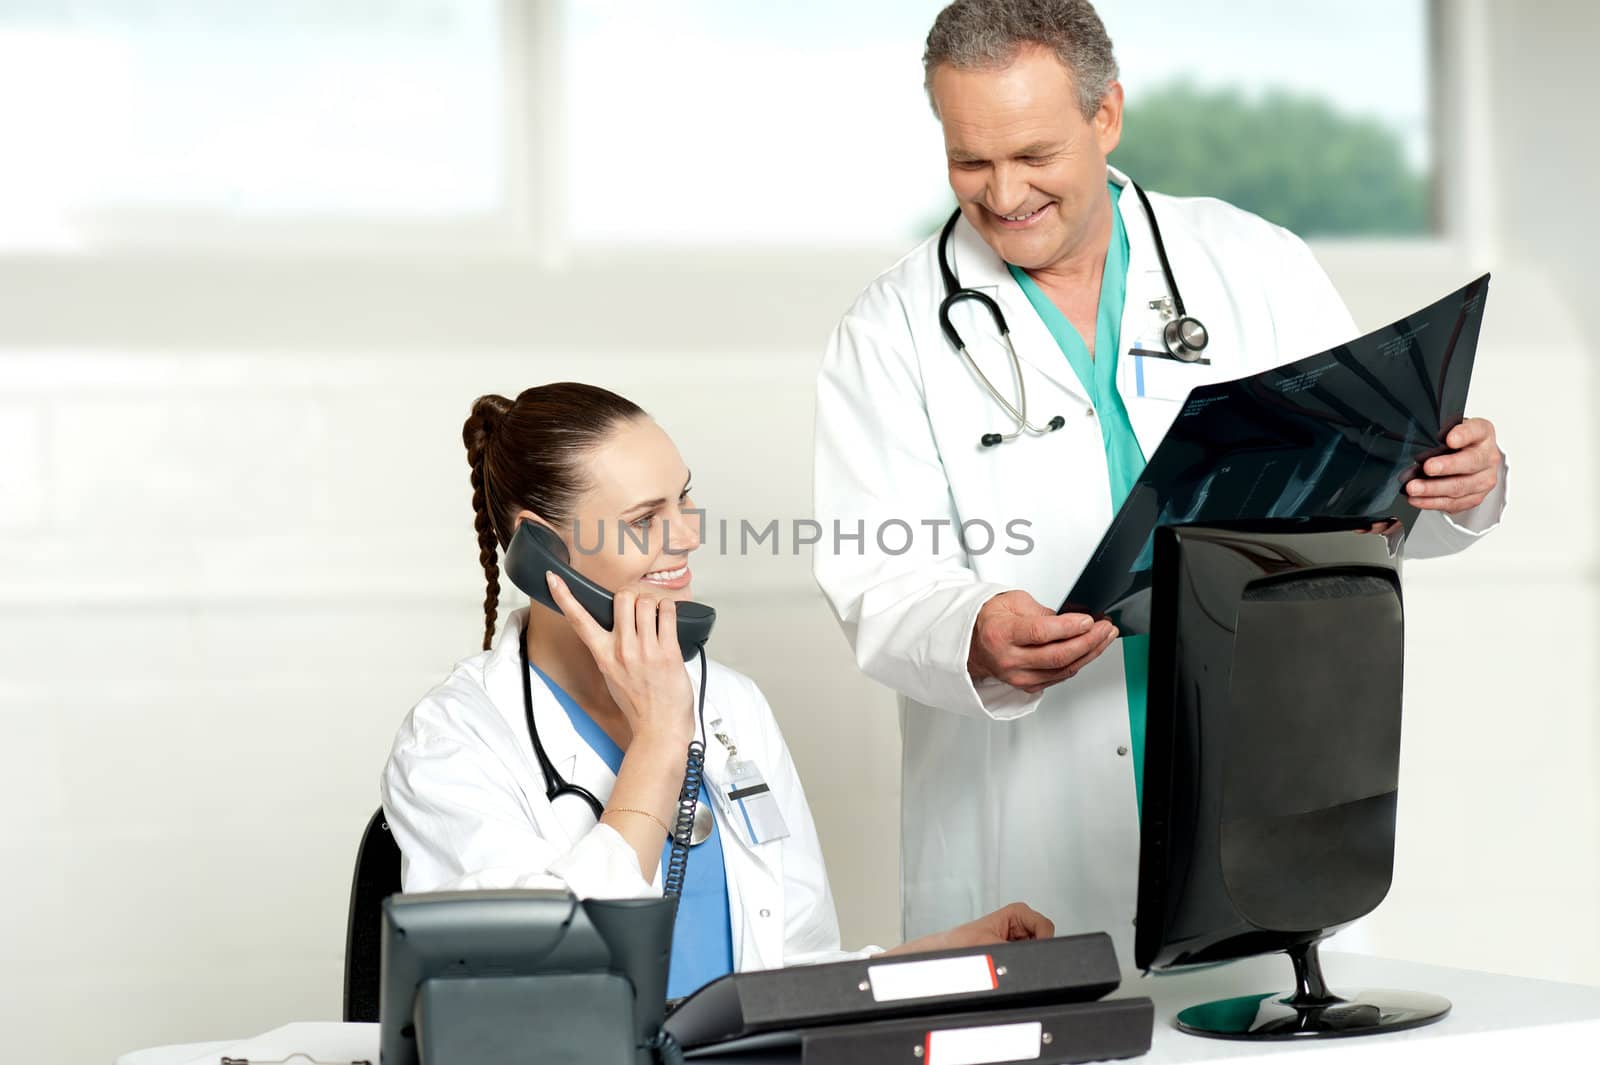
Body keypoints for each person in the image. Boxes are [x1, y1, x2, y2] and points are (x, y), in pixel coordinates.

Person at [811, 0, 1508, 961]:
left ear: (1107, 117)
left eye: (1034, 155)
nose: (1004, 193)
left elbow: (1360, 502)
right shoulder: (891, 331)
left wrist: (1456, 483)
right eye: (970, 161)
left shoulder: (1249, 264)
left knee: (1264, 1007)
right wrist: (973, 631)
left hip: (1255, 767)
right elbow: (876, 579)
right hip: (1030, 812)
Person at [382, 382, 1053, 999]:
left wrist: (933, 962)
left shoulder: (733, 704)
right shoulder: (455, 738)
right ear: (542, 549)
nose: (689, 534)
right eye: (646, 518)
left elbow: (784, 972)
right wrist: (660, 744)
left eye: (685, 498)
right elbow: (535, 987)